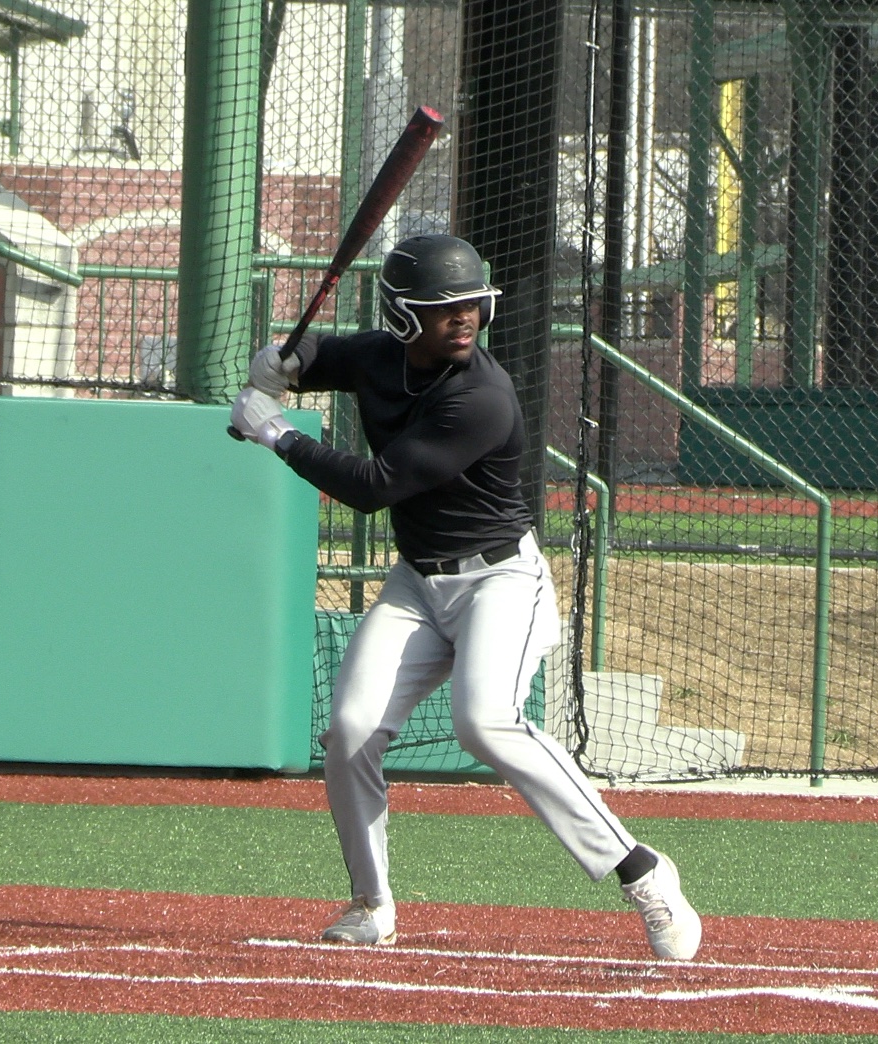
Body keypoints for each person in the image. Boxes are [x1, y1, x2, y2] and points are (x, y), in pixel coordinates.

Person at [230, 233, 701, 961]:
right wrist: (284, 359)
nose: (465, 318)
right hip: (420, 584)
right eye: (442, 309)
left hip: (499, 582)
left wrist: (276, 432)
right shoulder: (384, 356)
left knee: (485, 722)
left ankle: (644, 874)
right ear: (402, 318)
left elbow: (374, 488)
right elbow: (329, 355)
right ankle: (370, 903)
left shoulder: (480, 395)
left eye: (471, 304)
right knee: (349, 732)